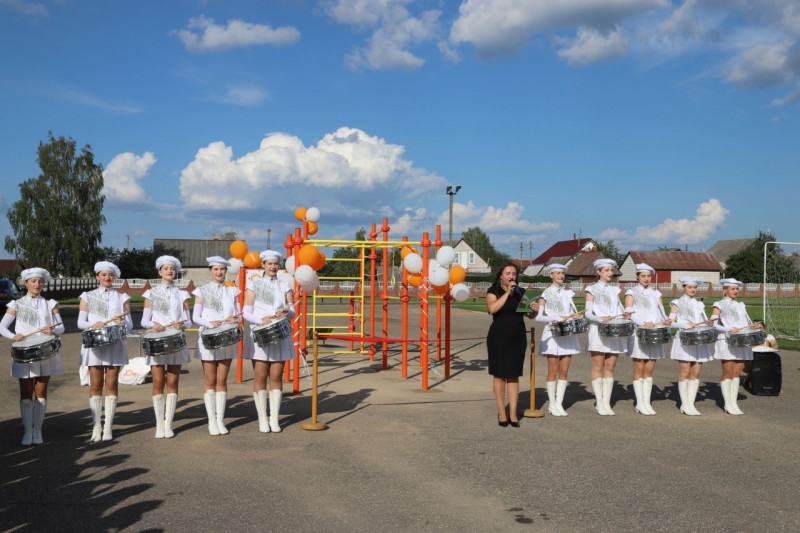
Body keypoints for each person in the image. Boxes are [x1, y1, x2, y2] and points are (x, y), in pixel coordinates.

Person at [0, 268, 65, 445]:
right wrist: (14, 336)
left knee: (41, 392)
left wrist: (52, 330)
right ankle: (27, 431)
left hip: (45, 351)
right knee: (26, 392)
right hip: (24, 351)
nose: (37, 284)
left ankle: (38, 431)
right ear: (26, 283)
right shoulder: (16, 304)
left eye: (40, 281)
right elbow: (2, 327)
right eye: (33, 281)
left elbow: (61, 327)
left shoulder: (50, 304)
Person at [192, 256, 248, 435]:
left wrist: (235, 319)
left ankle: (220, 420)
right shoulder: (201, 291)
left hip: (227, 338)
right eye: (216, 269)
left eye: (222, 269)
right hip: (208, 338)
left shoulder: (233, 291)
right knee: (210, 380)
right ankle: (211, 421)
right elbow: (196, 317)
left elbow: (239, 314)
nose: (219, 272)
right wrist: (210, 323)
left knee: (222, 380)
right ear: (210, 271)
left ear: (226, 271)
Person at [78, 261, 133, 442]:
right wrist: (93, 324)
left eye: (110, 275)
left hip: (115, 343)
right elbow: (80, 323)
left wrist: (121, 322)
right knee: (95, 384)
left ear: (114, 277)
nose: (107, 278)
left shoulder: (122, 297)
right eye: (103, 274)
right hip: (95, 343)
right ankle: (96, 426)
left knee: (112, 384)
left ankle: (108, 427)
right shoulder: (87, 296)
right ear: (97, 277)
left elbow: (130, 325)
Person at [243, 250, 295, 434]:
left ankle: (274, 418)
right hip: (260, 334)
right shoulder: (253, 285)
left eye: (275, 264)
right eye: (269, 263)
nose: (273, 267)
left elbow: (292, 311)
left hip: (280, 335)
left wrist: (286, 313)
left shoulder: (285, 285)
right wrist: (260, 320)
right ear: (263, 265)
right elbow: (246, 312)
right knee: (260, 376)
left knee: (276, 376)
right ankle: (262, 419)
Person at [141, 255, 192, 438]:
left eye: (172, 268)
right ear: (159, 272)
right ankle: (159, 424)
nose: (169, 271)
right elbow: (144, 320)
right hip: (157, 341)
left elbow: (188, 321)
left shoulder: (183, 294)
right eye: (166, 268)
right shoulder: (150, 294)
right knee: (158, 382)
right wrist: (152, 324)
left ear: (176, 272)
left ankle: (168, 423)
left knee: (172, 382)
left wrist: (181, 325)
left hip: (176, 340)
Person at [485, 262, 538, 427]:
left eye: (514, 274)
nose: (511, 276)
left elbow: (530, 315)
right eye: (507, 273)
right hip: (498, 337)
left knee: (514, 375)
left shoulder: (521, 292)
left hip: (517, 337)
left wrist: (534, 309)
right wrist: (507, 293)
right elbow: (493, 308)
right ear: (501, 275)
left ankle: (513, 414)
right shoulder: (493, 291)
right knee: (500, 375)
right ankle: (502, 412)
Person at [711, 278, 764, 415]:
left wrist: (752, 326)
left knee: (737, 374)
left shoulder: (741, 305)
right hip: (727, 340)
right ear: (725, 290)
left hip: (742, 341)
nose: (735, 291)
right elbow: (713, 324)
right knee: (727, 373)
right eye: (732, 289)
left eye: (736, 289)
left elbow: (745, 322)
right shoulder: (718, 304)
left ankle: (733, 403)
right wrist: (728, 328)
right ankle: (727, 404)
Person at [623, 263, 670, 415]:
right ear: (637, 276)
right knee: (639, 367)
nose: (646, 279)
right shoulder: (631, 292)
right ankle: (640, 403)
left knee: (649, 368)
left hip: (654, 333)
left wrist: (666, 321)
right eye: (643, 276)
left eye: (648, 276)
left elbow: (662, 313)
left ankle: (647, 402)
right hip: (639, 332)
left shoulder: (656, 293)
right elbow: (629, 313)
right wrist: (643, 323)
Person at [535, 263, 581, 417]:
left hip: (567, 333)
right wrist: (556, 317)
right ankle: (552, 404)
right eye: (557, 273)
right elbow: (539, 317)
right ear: (551, 275)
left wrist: (577, 316)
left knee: (564, 371)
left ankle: (559, 404)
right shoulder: (546, 293)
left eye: (562, 273)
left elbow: (572, 312)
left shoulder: (568, 293)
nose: (561, 276)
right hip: (553, 334)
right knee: (553, 370)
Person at [584, 258, 626, 416]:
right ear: (598, 272)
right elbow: (588, 313)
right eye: (606, 270)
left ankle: (606, 402)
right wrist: (601, 318)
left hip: (613, 331)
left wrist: (624, 315)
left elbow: (619, 310)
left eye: (611, 270)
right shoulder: (591, 289)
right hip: (598, 330)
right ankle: (599, 402)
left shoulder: (615, 290)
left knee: (610, 367)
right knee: (598, 366)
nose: (610, 273)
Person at [669, 276, 714, 416]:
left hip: (698, 340)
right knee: (685, 372)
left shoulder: (700, 304)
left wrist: (708, 323)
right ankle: (684, 404)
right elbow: (670, 322)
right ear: (683, 287)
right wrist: (684, 324)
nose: (692, 289)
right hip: (684, 339)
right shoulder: (676, 303)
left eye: (694, 287)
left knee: (696, 373)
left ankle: (690, 403)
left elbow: (703, 321)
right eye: (690, 287)